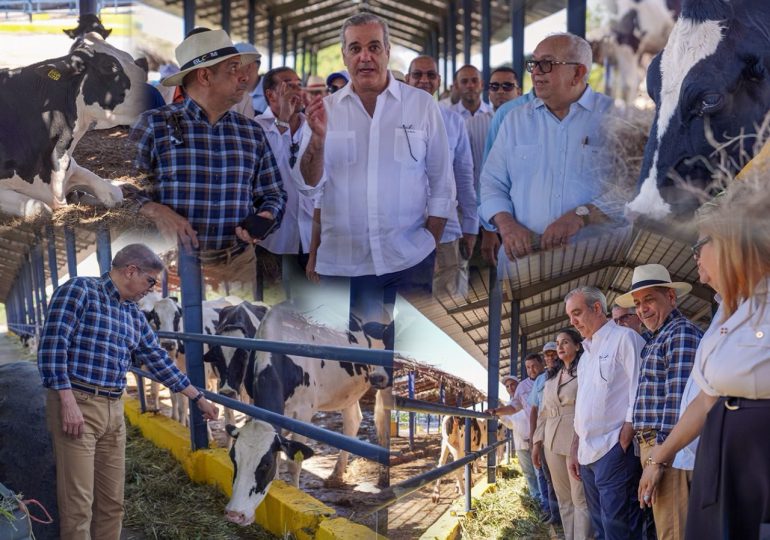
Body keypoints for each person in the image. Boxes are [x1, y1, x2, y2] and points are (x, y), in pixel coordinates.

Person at [37, 244, 219, 540]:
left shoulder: (132, 313)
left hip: (114, 408)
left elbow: (157, 358)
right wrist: (66, 402)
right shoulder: (79, 290)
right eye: (150, 281)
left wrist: (197, 397)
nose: (152, 289)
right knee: (78, 504)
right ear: (130, 270)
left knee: (112, 502)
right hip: (79, 404)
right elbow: (53, 347)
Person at [295, 13, 453, 322]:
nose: (365, 56)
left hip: (408, 261)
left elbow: (442, 181)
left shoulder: (421, 105)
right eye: (355, 48)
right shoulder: (324, 112)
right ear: (343, 56)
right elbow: (309, 186)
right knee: (350, 365)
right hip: (343, 266)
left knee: (411, 361)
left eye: (373, 47)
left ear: (388, 50)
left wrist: (430, 244)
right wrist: (317, 140)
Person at [638, 183, 770, 540]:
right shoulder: (726, 311)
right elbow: (705, 399)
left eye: (701, 244)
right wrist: (658, 458)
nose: (694, 255)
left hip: (758, 470)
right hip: (722, 464)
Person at [130, 29, 286, 290]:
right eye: (233, 68)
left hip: (238, 268)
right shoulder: (154, 126)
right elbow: (123, 192)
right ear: (205, 75)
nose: (245, 76)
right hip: (170, 270)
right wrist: (155, 209)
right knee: (175, 330)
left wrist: (267, 215)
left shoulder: (251, 133)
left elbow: (274, 193)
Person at [479, 33, 615, 270]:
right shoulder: (515, 121)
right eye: (534, 63)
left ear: (578, 73)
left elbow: (632, 191)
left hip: (594, 265)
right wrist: (507, 225)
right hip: (523, 266)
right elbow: (491, 183)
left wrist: (581, 215)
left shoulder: (615, 119)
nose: (536, 72)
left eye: (547, 63)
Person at [615, 264, 702, 540]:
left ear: (671, 298)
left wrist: (659, 459)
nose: (642, 309)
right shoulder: (657, 338)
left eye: (649, 299)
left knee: (673, 529)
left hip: (668, 447)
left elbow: (678, 401)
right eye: (638, 303)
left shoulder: (680, 333)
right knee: (664, 524)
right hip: (655, 446)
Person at [565, 285, 645, 539]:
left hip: (613, 449)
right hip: (587, 454)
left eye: (576, 312)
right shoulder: (586, 355)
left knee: (618, 529)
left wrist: (624, 438)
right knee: (601, 528)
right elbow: (583, 406)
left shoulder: (625, 339)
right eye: (570, 316)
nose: (573, 321)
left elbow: (639, 389)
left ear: (597, 308)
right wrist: (575, 447)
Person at [405, 55, 477, 299]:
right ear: (407, 79)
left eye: (430, 75)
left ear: (439, 81)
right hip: (401, 234)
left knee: (449, 316)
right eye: (417, 75)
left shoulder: (454, 122)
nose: (424, 80)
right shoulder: (389, 119)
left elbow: (464, 177)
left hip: (446, 232)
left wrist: (471, 226)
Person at [254, 67, 315, 294]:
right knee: (272, 307)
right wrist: (282, 122)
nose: (297, 90)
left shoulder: (314, 126)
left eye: (299, 84)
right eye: (289, 85)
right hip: (273, 238)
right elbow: (273, 171)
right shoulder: (257, 128)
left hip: (311, 237)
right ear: (271, 94)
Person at [533, 329, 593, 540]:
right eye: (558, 343)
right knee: (563, 497)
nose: (559, 346)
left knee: (580, 497)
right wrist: (536, 443)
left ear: (577, 346)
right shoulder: (552, 377)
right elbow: (543, 412)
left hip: (575, 438)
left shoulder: (585, 372)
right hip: (551, 441)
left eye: (565, 342)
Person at [464, 66, 521, 266]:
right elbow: (467, 177)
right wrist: (486, 228)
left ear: (518, 91)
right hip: (483, 221)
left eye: (507, 86)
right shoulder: (472, 125)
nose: (500, 91)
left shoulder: (531, 126)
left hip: (521, 223)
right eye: (495, 86)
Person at [488, 353, 545, 506]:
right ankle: (537, 499)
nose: (531, 369)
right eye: (528, 367)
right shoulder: (520, 392)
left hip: (542, 436)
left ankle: (546, 502)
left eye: (533, 366)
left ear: (542, 364)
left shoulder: (548, 378)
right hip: (521, 442)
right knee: (529, 471)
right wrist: (496, 412)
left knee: (541, 471)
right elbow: (512, 414)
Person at [529, 341, 562, 524]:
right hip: (545, 432)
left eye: (553, 354)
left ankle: (564, 517)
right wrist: (534, 438)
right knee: (548, 476)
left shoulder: (568, 373)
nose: (550, 358)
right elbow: (535, 409)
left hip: (563, 430)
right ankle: (554, 514)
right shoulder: (541, 380)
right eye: (547, 355)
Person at [230, 42, 262, 118]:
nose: (233, 69)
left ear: (249, 66)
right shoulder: (234, 94)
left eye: (236, 65)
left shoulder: (274, 90)